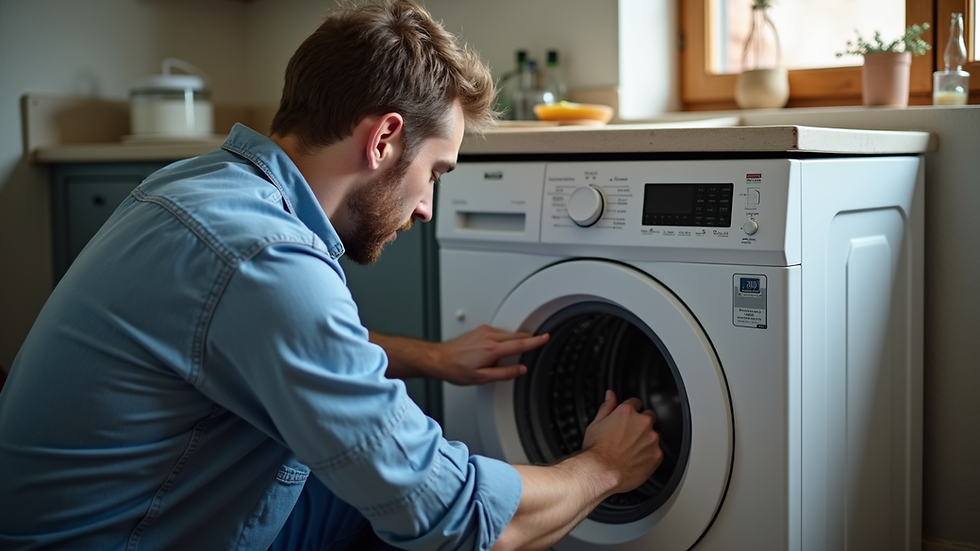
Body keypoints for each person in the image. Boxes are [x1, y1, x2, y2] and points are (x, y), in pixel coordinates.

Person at [0, 1, 663, 550]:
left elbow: (263, 344)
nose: (428, 205)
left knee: (372, 492)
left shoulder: (204, 186)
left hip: (127, 509)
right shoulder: (265, 257)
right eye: (435, 171)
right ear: (383, 141)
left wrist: (432, 358)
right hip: (133, 536)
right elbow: (455, 518)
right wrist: (602, 466)